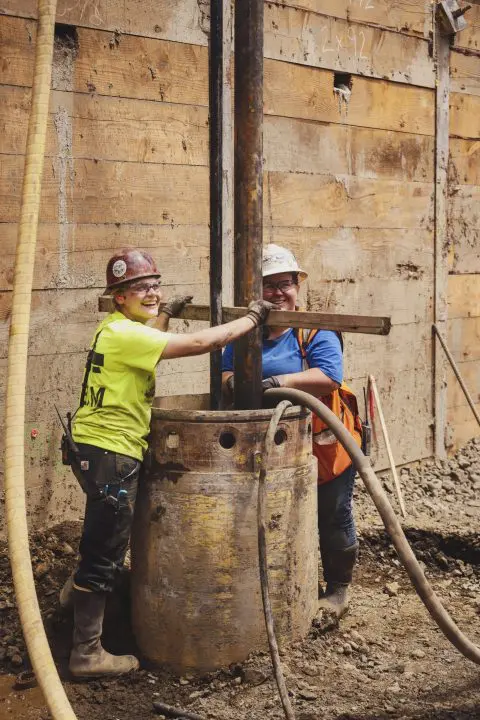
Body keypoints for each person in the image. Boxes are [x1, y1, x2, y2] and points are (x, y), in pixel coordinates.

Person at [63, 247, 273, 680]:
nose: (151, 293)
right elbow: (202, 343)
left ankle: (71, 599)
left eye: (155, 285)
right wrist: (251, 320)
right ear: (118, 297)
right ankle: (85, 652)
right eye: (140, 288)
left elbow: (154, 342)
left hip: (97, 449)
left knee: (103, 536)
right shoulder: (125, 335)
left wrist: (165, 314)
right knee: (105, 551)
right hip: (112, 454)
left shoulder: (117, 329)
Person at [222, 243, 362, 621]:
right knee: (273, 516)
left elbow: (328, 376)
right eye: (269, 286)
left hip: (322, 441)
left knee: (331, 512)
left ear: (297, 288)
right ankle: (283, 586)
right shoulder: (243, 333)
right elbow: (225, 372)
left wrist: (277, 381)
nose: (278, 293)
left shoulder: (314, 330)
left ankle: (337, 590)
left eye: (285, 284)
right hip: (266, 444)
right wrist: (235, 381)